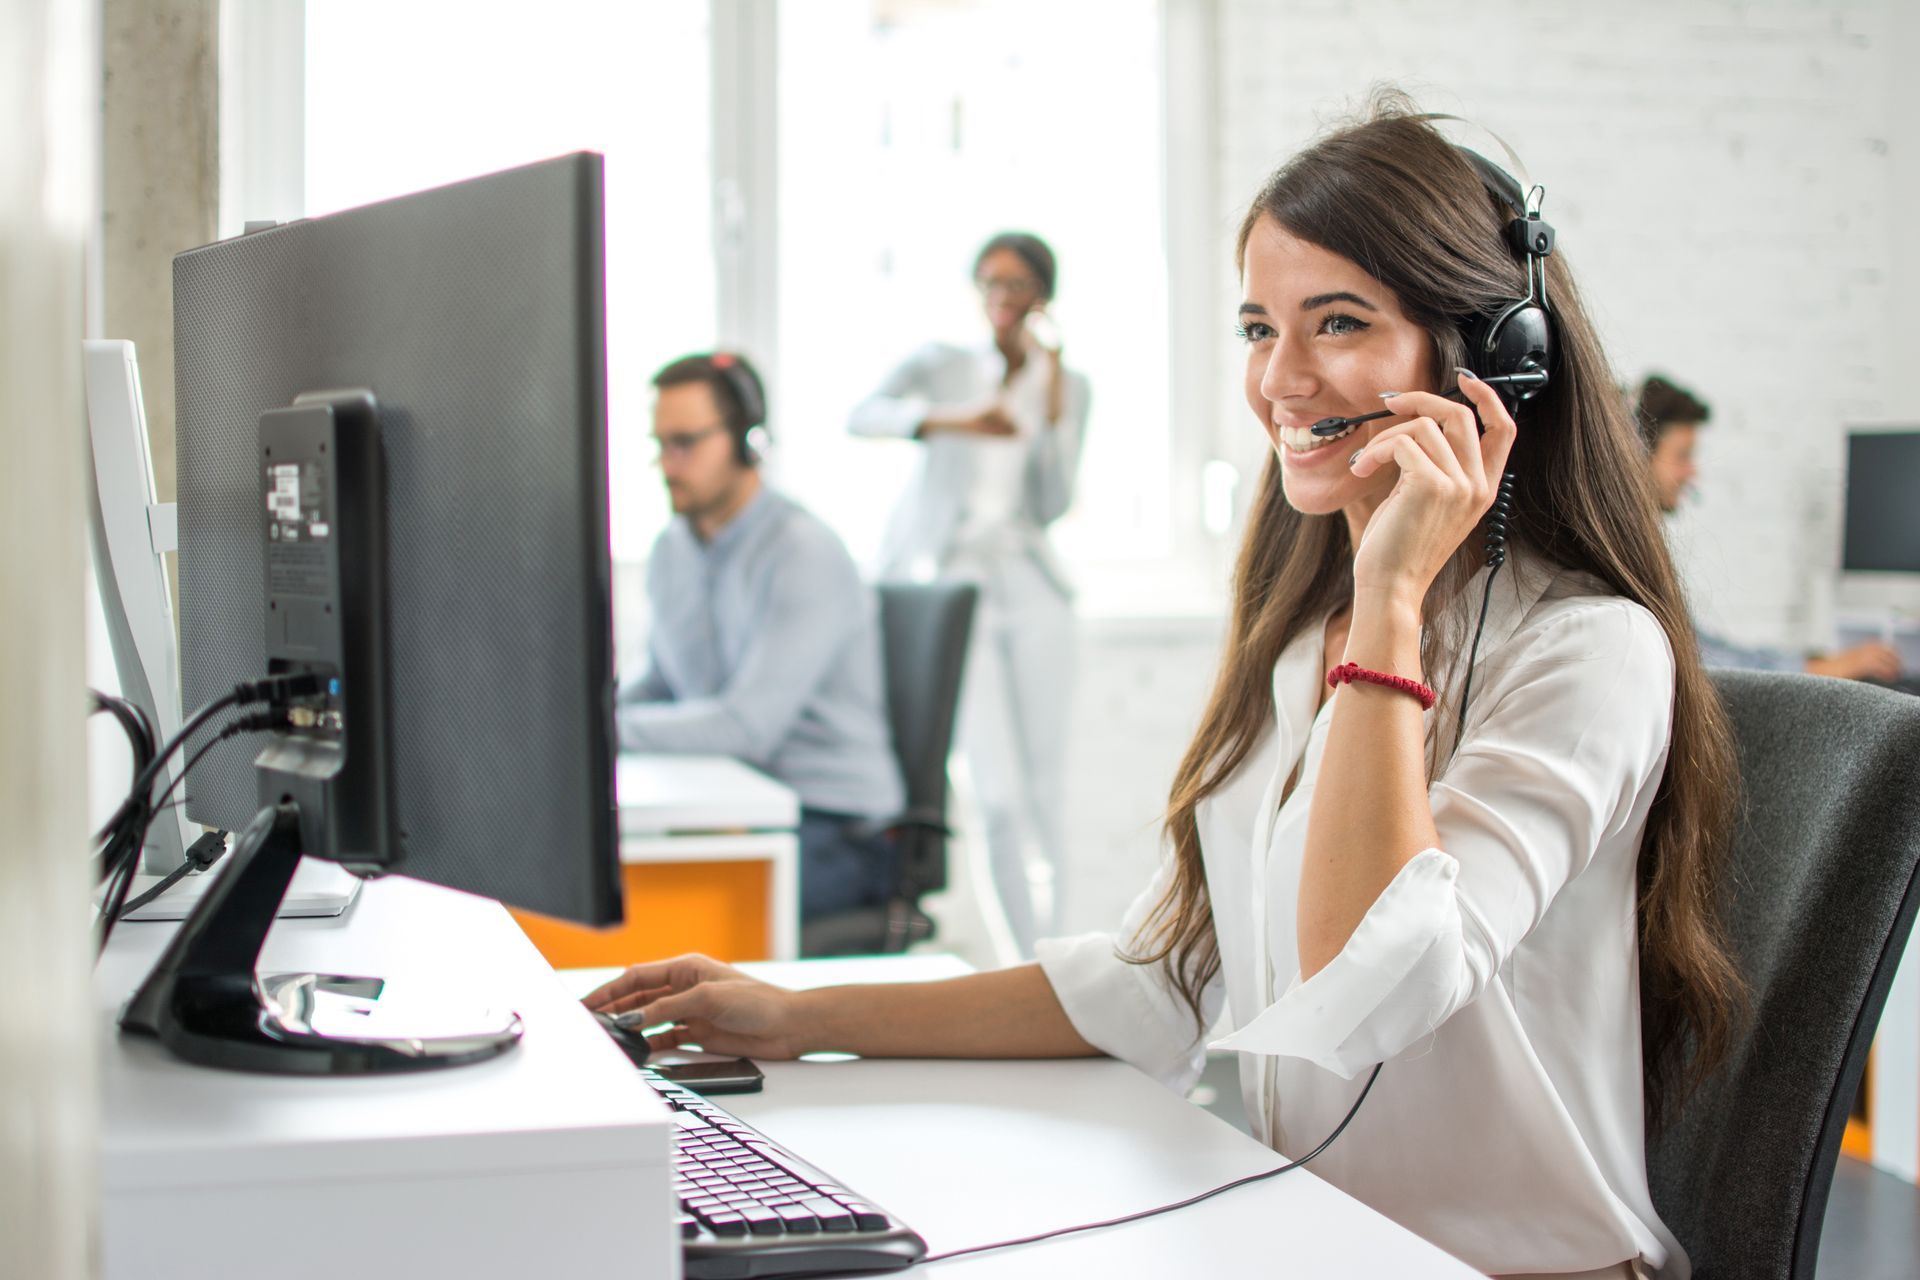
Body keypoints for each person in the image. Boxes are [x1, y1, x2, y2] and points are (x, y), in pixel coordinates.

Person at [591, 100, 1744, 1279]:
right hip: (1323, 1243)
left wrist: (1394, 589)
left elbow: (1377, 990)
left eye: (1337, 321)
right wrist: (794, 1017)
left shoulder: (1589, 651)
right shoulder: (1306, 642)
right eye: (1259, 326)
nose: (1280, 381)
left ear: (1496, 357)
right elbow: (1163, 975)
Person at [848, 231, 1092, 956]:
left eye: (1016, 285)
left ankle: (1062, 956)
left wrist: (1051, 413)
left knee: (1047, 791)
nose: (1000, 298)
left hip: (1030, 581)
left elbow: (1051, 503)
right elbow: (862, 415)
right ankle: (1024, 963)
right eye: (989, 282)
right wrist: (954, 421)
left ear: (1041, 296)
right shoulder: (943, 366)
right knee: (997, 795)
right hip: (954, 582)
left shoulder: (1066, 383)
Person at [617, 352, 905, 929]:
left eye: (685, 443)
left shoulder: (802, 552)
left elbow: (747, 729)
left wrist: (598, 734)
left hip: (838, 828)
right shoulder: (673, 548)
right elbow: (666, 682)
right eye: (660, 445)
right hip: (740, 806)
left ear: (748, 442)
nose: (668, 465)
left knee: (649, 911)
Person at [1637, 373, 1904, 681]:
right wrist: (1825, 669)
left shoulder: (1645, 547)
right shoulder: (1631, 555)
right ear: (1636, 455)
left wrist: (1814, 663)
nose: (1691, 472)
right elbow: (1709, 668)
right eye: (1682, 455)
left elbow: (1707, 649)